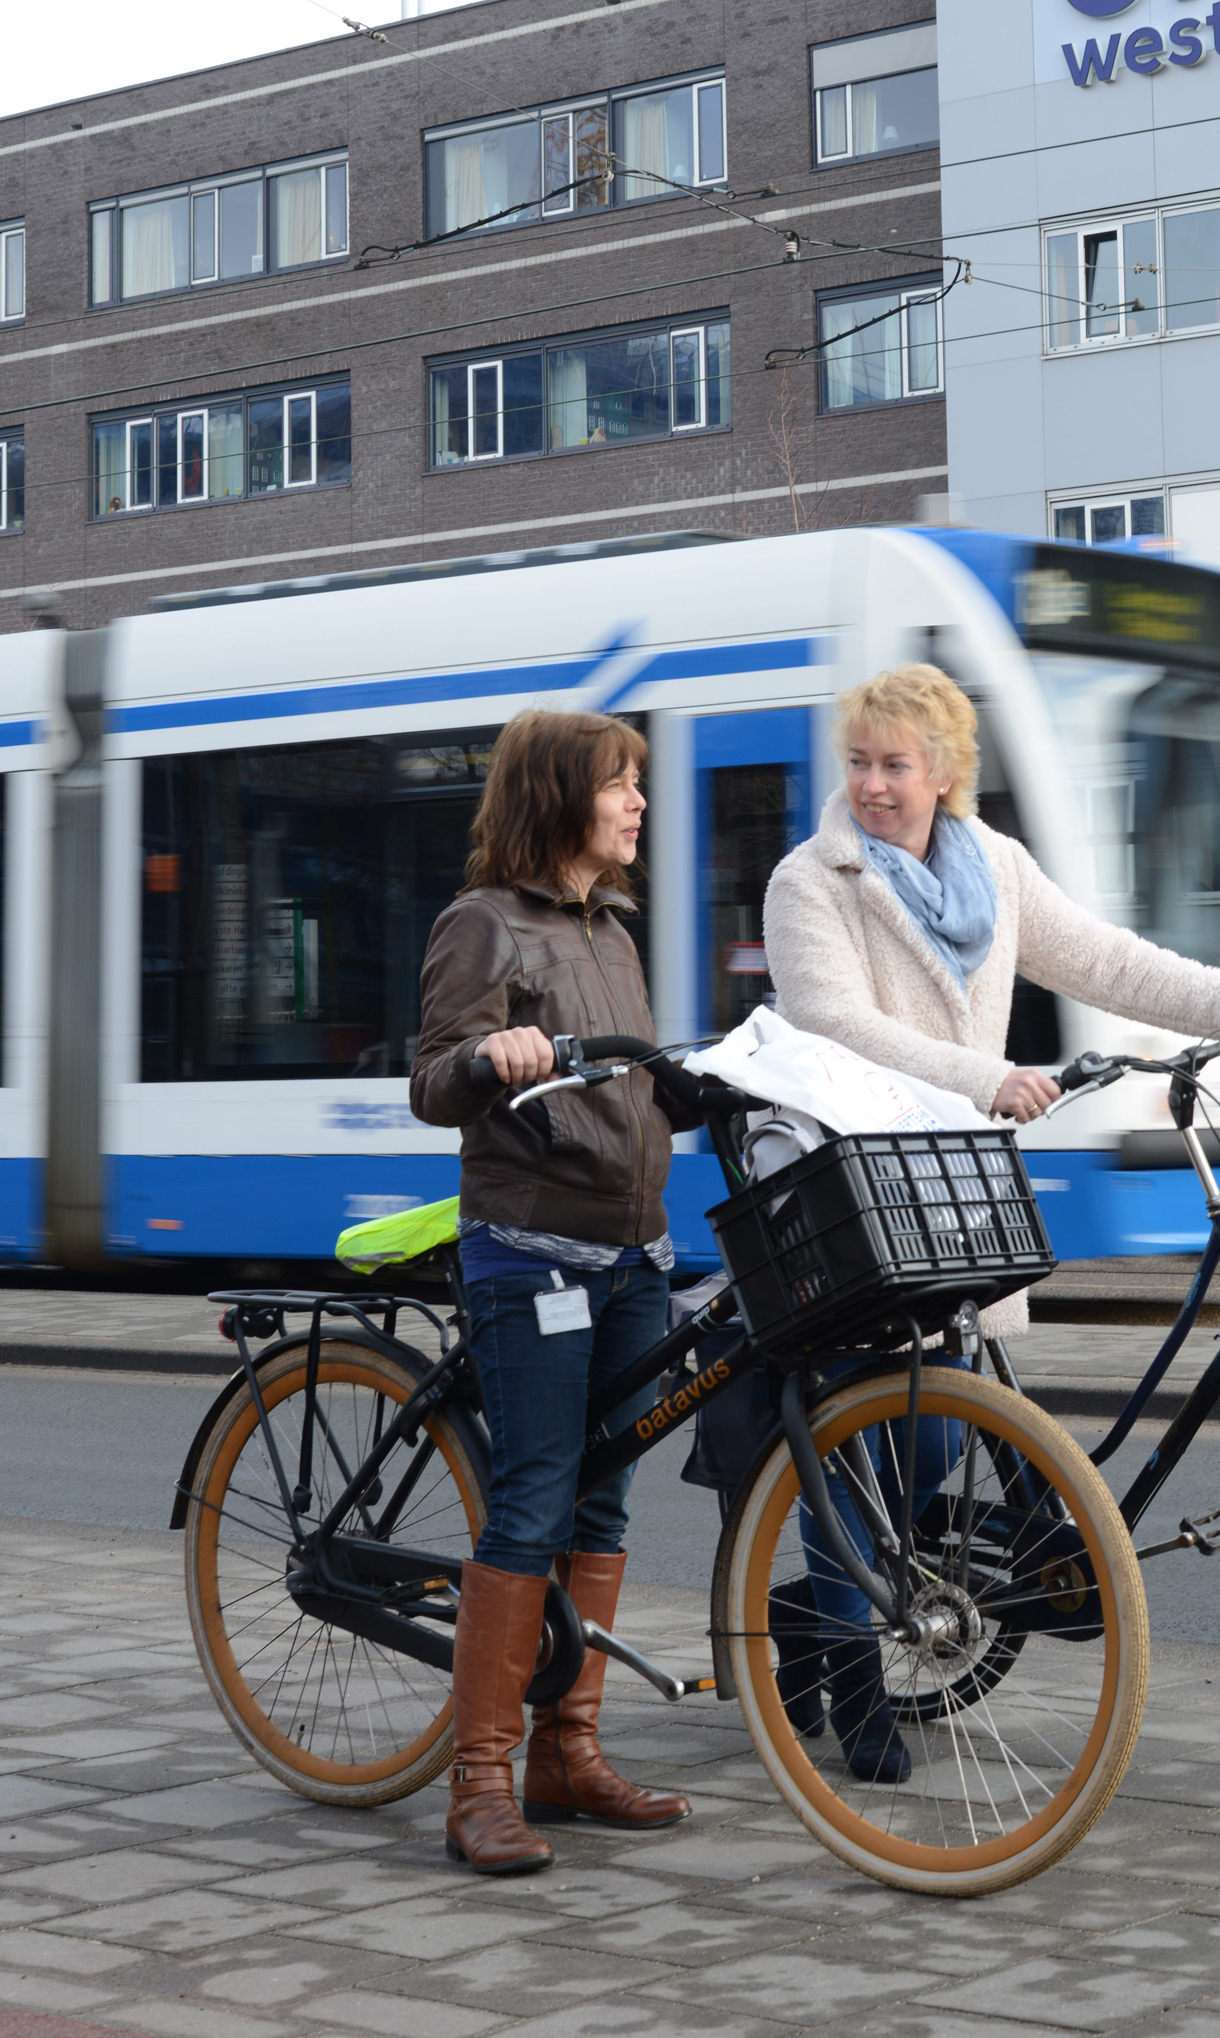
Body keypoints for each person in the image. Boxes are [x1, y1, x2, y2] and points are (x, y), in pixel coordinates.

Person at [760, 662, 1220, 1778]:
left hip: (959, 1193)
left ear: (946, 774)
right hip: (859, 1193)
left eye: (893, 766)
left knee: (940, 1438)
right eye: (857, 763)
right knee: (865, 1442)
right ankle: (860, 1692)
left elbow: (1104, 959)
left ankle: (809, 1611)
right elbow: (828, 1024)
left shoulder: (993, 868)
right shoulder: (812, 880)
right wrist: (985, 1073)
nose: (870, 785)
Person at [411, 706, 698, 1879]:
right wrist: (491, 1057)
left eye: (637, 784)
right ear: (561, 798)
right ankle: (475, 1782)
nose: (638, 804)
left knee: (606, 1507)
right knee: (531, 1500)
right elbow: (433, 1080)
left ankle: (565, 1753)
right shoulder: (484, 925)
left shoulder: (615, 928)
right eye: (621, 785)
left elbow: (634, 1087)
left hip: (634, 1254)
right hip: (532, 1253)